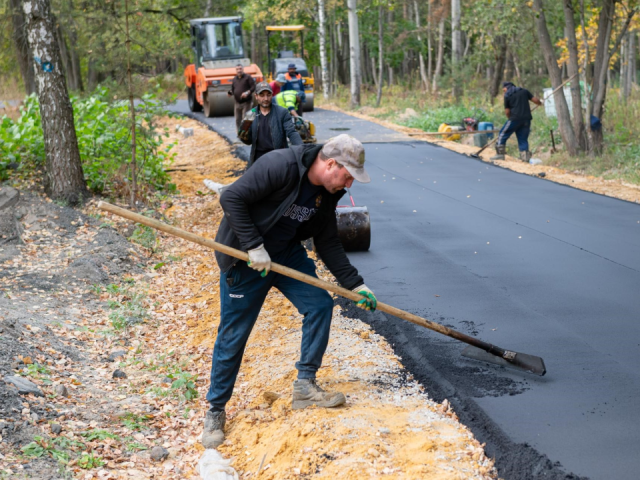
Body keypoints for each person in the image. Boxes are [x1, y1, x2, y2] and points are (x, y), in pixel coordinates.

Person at [201, 134, 378, 449]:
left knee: (320, 305)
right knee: (234, 334)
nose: (349, 184)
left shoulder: (329, 190)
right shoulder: (279, 165)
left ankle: (305, 386)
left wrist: (355, 283)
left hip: (285, 253)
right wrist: (254, 246)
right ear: (331, 163)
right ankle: (215, 411)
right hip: (246, 257)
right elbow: (231, 199)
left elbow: (326, 239)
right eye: (347, 175)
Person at [238, 82, 303, 166]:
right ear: (256, 96)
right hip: (258, 161)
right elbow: (248, 141)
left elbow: (291, 132)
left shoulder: (282, 112)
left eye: (268, 95)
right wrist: (243, 136)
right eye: (262, 95)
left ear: (272, 95)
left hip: (279, 159)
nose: (266, 98)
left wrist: (301, 148)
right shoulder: (250, 114)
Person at [491, 81, 543, 162]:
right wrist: (540, 103)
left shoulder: (507, 95)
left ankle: (500, 155)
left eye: (503, 90)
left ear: (506, 88)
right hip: (526, 119)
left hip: (515, 119)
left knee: (502, 134)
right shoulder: (524, 91)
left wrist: (510, 119)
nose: (504, 92)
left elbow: (507, 112)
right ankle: (525, 157)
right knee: (523, 138)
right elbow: (535, 100)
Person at [228, 64, 256, 131]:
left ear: (243, 69)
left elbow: (253, 87)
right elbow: (233, 89)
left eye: (240, 69)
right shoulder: (234, 79)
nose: (239, 70)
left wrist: (247, 92)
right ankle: (239, 134)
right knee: (237, 119)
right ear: (236, 70)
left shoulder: (248, 77)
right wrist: (230, 93)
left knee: (245, 119)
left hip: (247, 102)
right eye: (237, 69)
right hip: (237, 103)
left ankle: (246, 134)